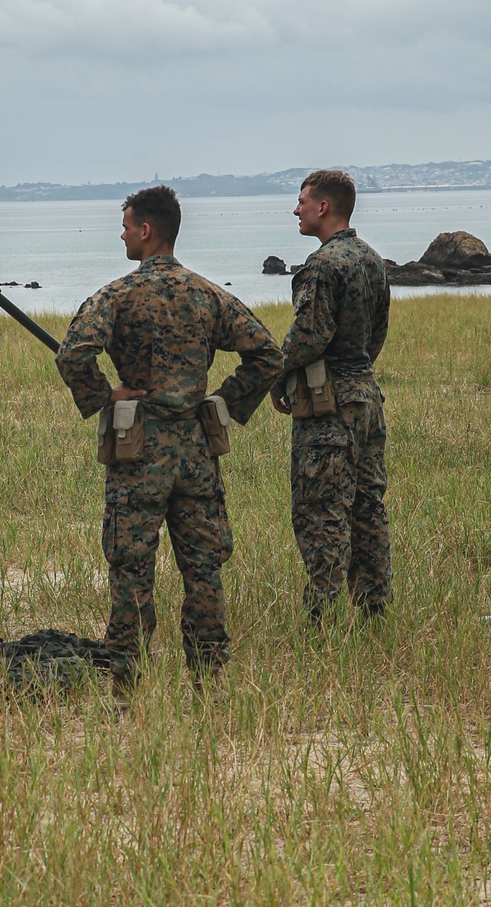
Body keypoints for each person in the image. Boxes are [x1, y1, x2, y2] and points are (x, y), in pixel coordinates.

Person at [55, 186, 283, 688]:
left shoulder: (116, 295)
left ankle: (126, 684)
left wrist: (105, 395)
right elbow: (268, 353)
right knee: (203, 569)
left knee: (131, 568)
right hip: (198, 452)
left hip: (138, 450)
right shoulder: (208, 294)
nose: (121, 234)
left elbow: (72, 354)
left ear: (146, 230)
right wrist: (224, 402)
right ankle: (210, 681)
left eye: (126, 225)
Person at [272, 169, 391, 623]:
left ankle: (319, 618)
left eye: (302, 201)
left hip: (329, 407)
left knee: (321, 512)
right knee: (367, 508)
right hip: (367, 400)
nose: (296, 209)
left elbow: (308, 337)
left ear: (323, 207)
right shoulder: (373, 260)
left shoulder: (322, 266)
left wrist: (274, 377)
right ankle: (374, 611)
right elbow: (375, 335)